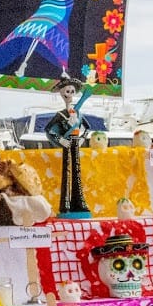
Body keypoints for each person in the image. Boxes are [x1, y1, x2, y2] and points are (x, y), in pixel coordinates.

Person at [44, 74, 93, 217]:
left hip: (76, 142)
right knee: (67, 171)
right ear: (61, 93)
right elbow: (48, 130)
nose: (70, 95)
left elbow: (87, 127)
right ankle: (65, 203)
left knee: (76, 170)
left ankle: (79, 201)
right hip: (66, 142)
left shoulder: (78, 113)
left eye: (72, 92)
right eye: (67, 91)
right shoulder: (61, 114)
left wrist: (83, 137)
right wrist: (60, 139)